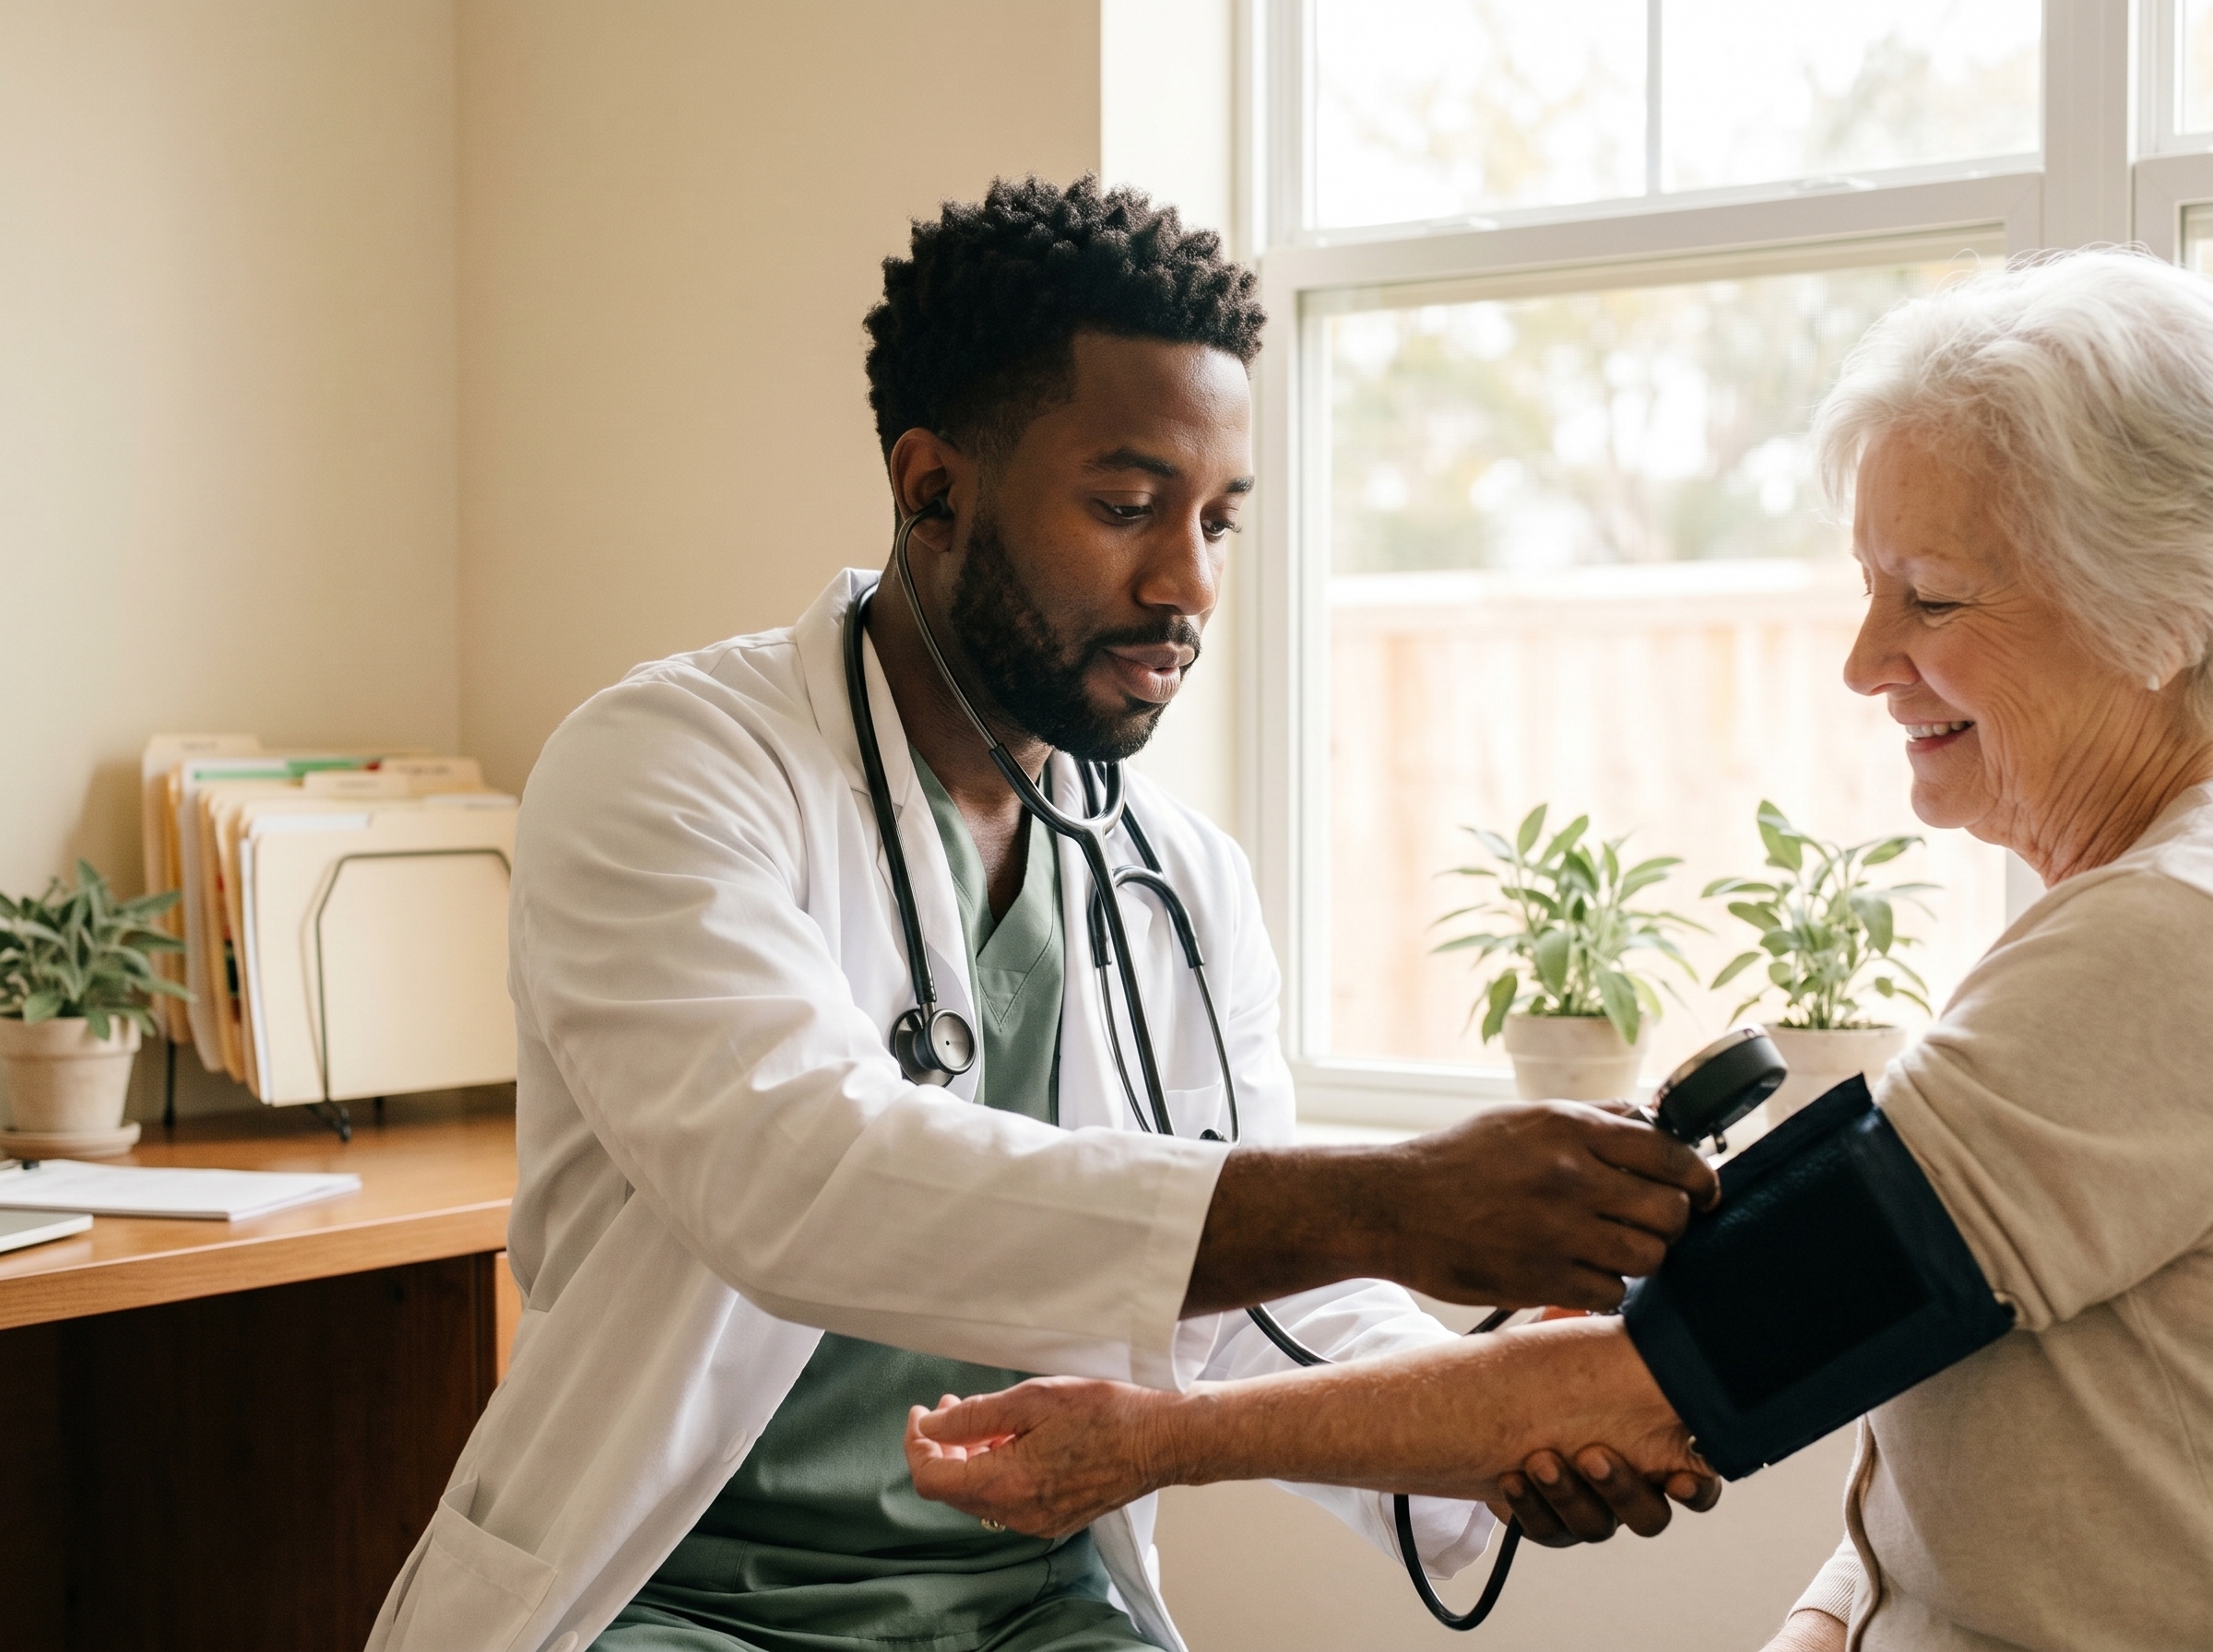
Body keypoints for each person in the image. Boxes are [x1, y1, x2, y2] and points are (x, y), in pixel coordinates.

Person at [365, 175, 1721, 1652]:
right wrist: (1397, 1199)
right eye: (1128, 508)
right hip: (677, 1600)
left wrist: (1502, 1428)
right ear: (931, 487)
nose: (1186, 583)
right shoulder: (670, 770)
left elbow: (1266, 1312)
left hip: (1033, 1606)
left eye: (1219, 520)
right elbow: (802, 1181)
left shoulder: (1181, 883)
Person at [905, 246, 2213, 1652]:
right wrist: (1830, 1619)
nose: (1863, 657)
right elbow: (1942, 1422)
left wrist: (1147, 1441)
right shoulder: (2133, 913)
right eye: (1869, 585)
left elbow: (1674, 1379)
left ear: (2165, 601)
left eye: (1934, 597)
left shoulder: (2168, 938)